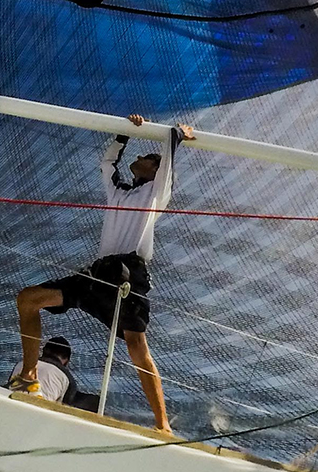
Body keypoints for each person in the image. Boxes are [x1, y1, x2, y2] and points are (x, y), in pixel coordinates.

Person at [11, 114, 192, 433]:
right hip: (100, 272)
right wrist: (124, 133)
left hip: (128, 273)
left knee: (137, 347)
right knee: (28, 300)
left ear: (154, 167)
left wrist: (175, 136)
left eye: (146, 157)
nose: (139, 157)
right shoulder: (119, 191)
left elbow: (167, 169)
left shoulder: (155, 194)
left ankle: (162, 425)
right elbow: (108, 163)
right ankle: (29, 378)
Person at [8, 336, 79, 406]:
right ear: (66, 361)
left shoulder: (21, 364)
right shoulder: (66, 378)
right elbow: (65, 408)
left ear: (44, 351)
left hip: (11, 405)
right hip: (39, 412)